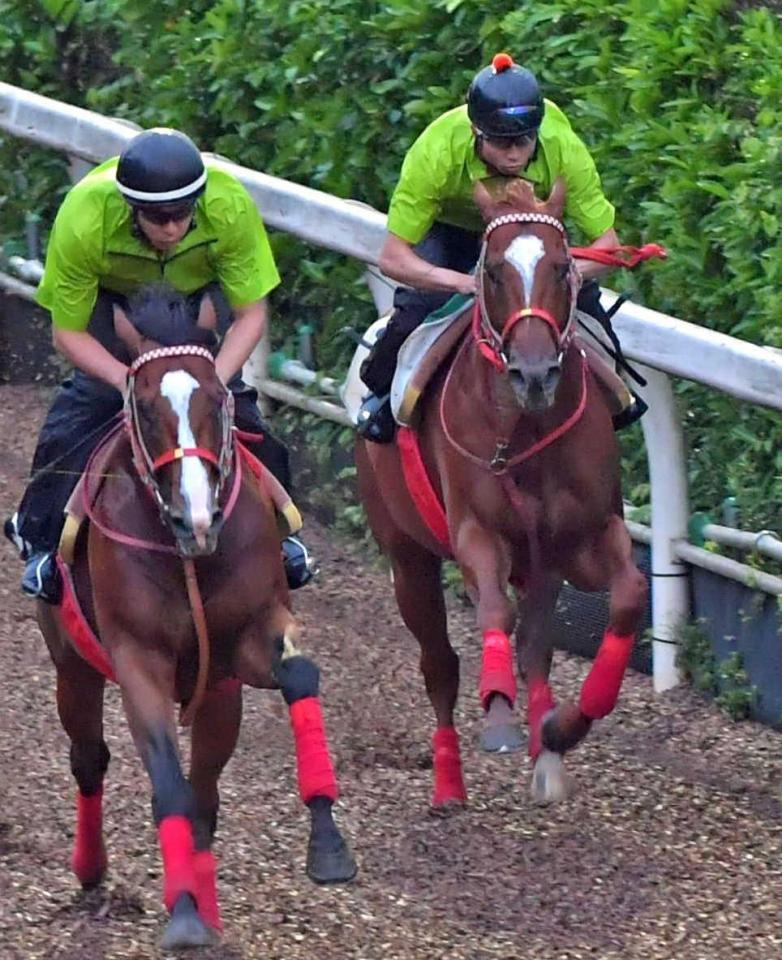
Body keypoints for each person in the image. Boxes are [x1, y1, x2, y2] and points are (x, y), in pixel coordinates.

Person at [4, 127, 315, 602]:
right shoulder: (85, 218)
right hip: (114, 305)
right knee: (75, 423)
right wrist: (127, 383)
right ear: (132, 208)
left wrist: (215, 381)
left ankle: (285, 537)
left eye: (182, 215)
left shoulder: (228, 205)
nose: (171, 228)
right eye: (157, 217)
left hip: (194, 307)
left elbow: (252, 315)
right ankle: (41, 539)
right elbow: (67, 334)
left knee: (247, 421)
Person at [358, 52, 646, 443]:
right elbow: (393, 257)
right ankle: (379, 400)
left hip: (532, 240)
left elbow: (608, 244)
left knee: (594, 318)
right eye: (501, 142)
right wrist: (463, 283)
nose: (513, 154)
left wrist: (560, 276)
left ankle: (615, 405)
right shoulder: (436, 153)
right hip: (454, 234)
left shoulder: (562, 146)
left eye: (524, 141)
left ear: (538, 132)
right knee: (416, 310)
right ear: (477, 131)